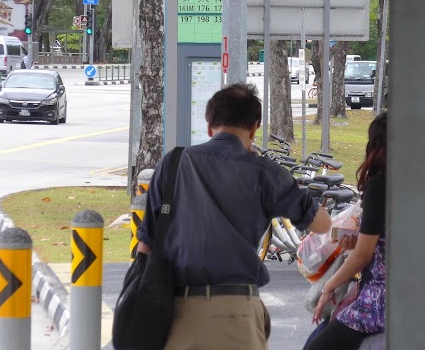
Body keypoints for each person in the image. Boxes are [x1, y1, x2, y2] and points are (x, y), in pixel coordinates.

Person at [137, 83, 331, 350]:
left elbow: (146, 244)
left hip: (174, 315)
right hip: (236, 314)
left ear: (209, 126)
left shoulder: (172, 163)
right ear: (254, 128)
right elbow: (322, 224)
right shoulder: (265, 172)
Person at [306, 111, 388, 350]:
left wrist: (329, 286)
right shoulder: (412, 184)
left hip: (379, 299)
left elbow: (363, 255)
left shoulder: (379, 185)